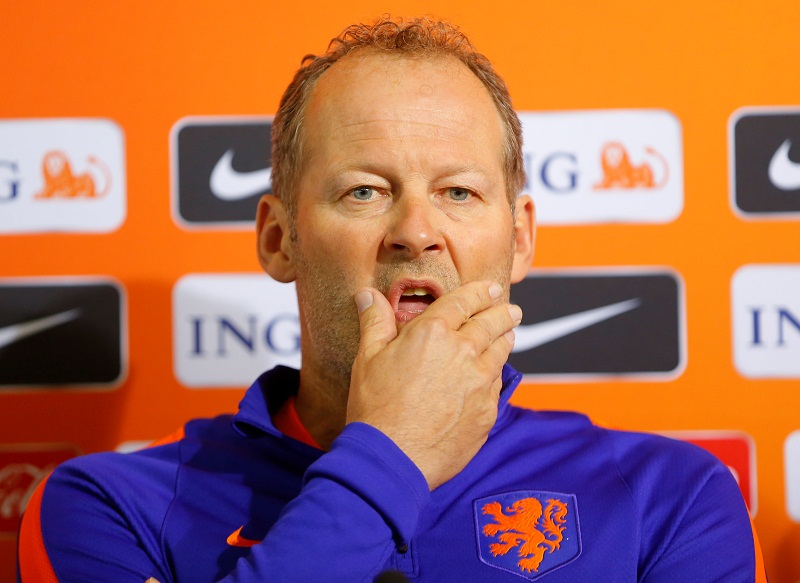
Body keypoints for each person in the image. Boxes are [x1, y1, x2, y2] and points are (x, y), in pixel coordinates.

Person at [18, 17, 766, 582]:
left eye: (459, 192)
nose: (416, 231)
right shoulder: (109, 506)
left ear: (519, 240)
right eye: (365, 191)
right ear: (279, 239)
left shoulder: (673, 497)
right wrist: (392, 451)